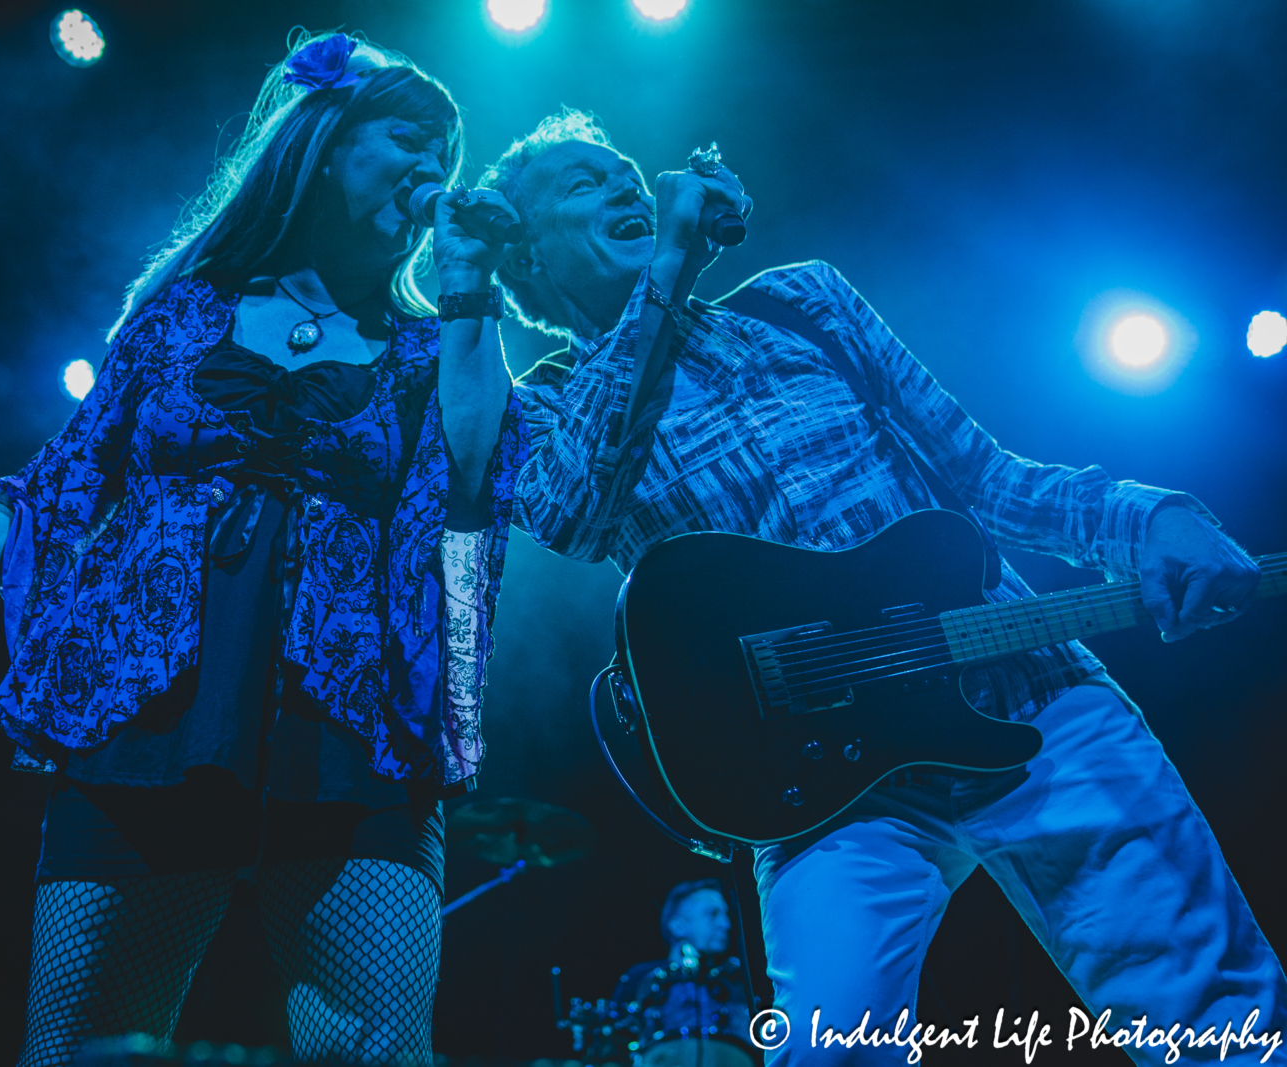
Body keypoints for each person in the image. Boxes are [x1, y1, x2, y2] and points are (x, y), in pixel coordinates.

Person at [0, 32, 526, 1067]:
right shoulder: (182, 318)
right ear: (326, 145)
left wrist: (469, 285)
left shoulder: (429, 344)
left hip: (352, 733)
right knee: (78, 1050)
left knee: (375, 1050)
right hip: (149, 717)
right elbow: (51, 497)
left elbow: (471, 481)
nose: (434, 169)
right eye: (412, 139)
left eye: (448, 156)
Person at [481, 110, 1284, 1063]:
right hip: (819, 793)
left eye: (624, 172)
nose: (625, 187)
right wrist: (666, 271)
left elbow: (987, 480)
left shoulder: (802, 305)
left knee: (1219, 1020)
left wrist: (1149, 516)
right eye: (583, 184)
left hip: (1026, 697)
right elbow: (572, 515)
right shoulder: (543, 416)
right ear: (525, 264)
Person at [611, 881, 756, 1067]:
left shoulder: (737, 981)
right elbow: (616, 1045)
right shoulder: (640, 978)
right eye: (712, 914)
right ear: (678, 926)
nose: (726, 924)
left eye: (726, 915)